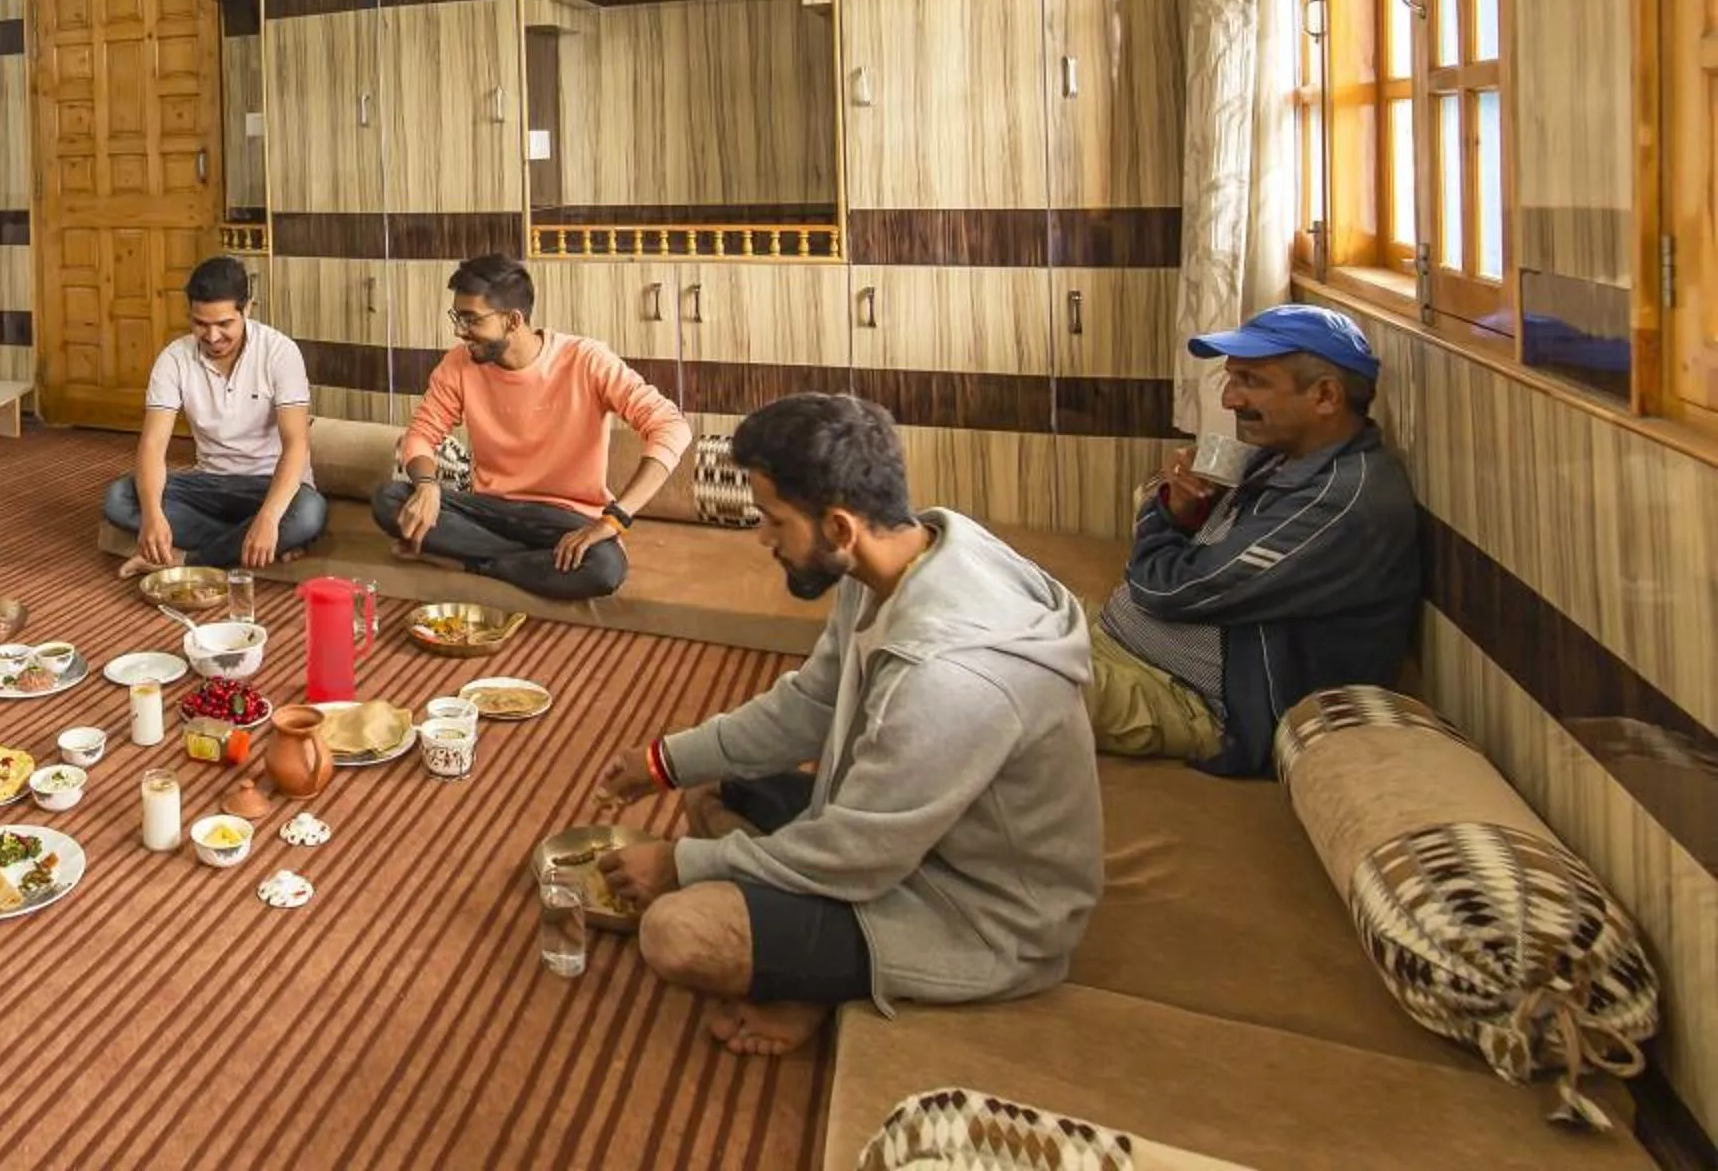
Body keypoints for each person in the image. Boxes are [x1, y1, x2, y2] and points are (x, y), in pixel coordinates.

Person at [588, 394, 1100, 1056]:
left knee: (677, 929)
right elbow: (810, 704)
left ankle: (816, 987)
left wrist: (683, 864)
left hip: (977, 910)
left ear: (837, 527)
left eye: (772, 520)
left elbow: (856, 855)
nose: (762, 538)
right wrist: (665, 759)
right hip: (906, 836)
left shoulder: (948, 675)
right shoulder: (898, 556)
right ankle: (801, 953)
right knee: (711, 787)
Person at [1087, 304, 1421, 776]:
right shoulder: (1282, 458)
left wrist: (1163, 519)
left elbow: (1168, 589)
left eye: (1250, 381)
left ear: (1325, 396)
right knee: (963, 565)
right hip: (1113, 640)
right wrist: (1182, 507)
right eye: (1231, 379)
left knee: (956, 678)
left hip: (1186, 701)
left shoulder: (1340, 503)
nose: (1230, 400)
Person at [371, 253, 690, 600]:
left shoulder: (586, 360)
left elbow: (671, 426)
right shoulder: (458, 365)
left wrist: (615, 519)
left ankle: (473, 563)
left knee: (605, 568)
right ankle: (526, 564)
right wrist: (428, 486)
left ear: (512, 320)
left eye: (471, 320)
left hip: (566, 518)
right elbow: (421, 434)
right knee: (390, 499)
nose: (459, 331)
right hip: (491, 509)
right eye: (458, 317)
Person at [103, 255, 325, 572]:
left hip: (268, 485)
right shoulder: (174, 359)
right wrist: (152, 515)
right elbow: (152, 445)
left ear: (246, 310)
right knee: (120, 497)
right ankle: (255, 543)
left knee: (308, 512)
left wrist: (269, 518)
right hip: (209, 483)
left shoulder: (279, 352)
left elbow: (296, 445)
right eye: (200, 324)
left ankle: (191, 559)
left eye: (224, 324)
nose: (213, 337)